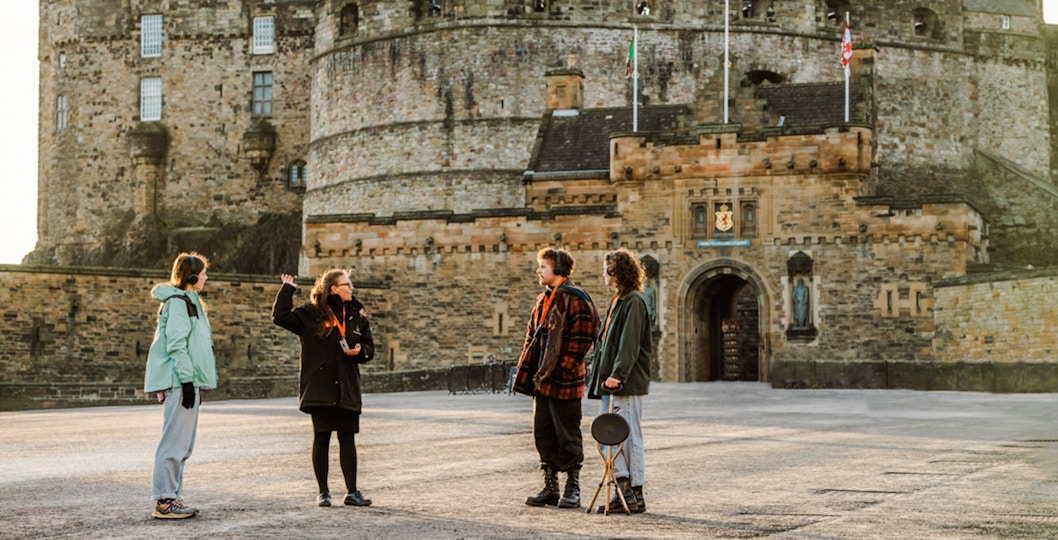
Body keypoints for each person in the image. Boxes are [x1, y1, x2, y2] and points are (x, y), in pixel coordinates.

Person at [272, 269, 375, 508]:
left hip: (347, 386)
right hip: (320, 387)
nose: (352, 288)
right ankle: (323, 492)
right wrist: (287, 290)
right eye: (347, 284)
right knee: (322, 437)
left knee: (348, 439)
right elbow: (280, 317)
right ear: (333, 288)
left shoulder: (356, 316)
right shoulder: (310, 314)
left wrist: (362, 351)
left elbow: (369, 347)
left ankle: (352, 492)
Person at [513, 248, 598, 509]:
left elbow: (582, 340)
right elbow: (532, 336)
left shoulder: (577, 299)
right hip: (542, 379)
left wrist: (562, 369)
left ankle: (573, 487)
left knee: (567, 432)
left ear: (558, 269)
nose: (538, 271)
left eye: (543, 266)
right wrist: (530, 369)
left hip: (564, 380)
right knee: (544, 432)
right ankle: (551, 487)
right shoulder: (543, 300)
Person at [144, 252, 217, 519]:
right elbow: (176, 346)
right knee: (174, 442)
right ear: (193, 276)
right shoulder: (178, 303)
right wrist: (186, 381)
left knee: (183, 444)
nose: (207, 277)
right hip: (180, 381)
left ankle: (171, 496)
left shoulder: (190, 302)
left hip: (188, 381)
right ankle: (164, 500)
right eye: (204, 273)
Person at [587, 247, 653, 514]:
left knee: (629, 435)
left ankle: (634, 490)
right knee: (608, 436)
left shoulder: (634, 301)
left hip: (624, 381)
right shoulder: (618, 300)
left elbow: (629, 344)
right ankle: (623, 485)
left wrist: (618, 374)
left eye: (606, 270)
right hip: (609, 381)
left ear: (616, 273)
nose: (603, 274)